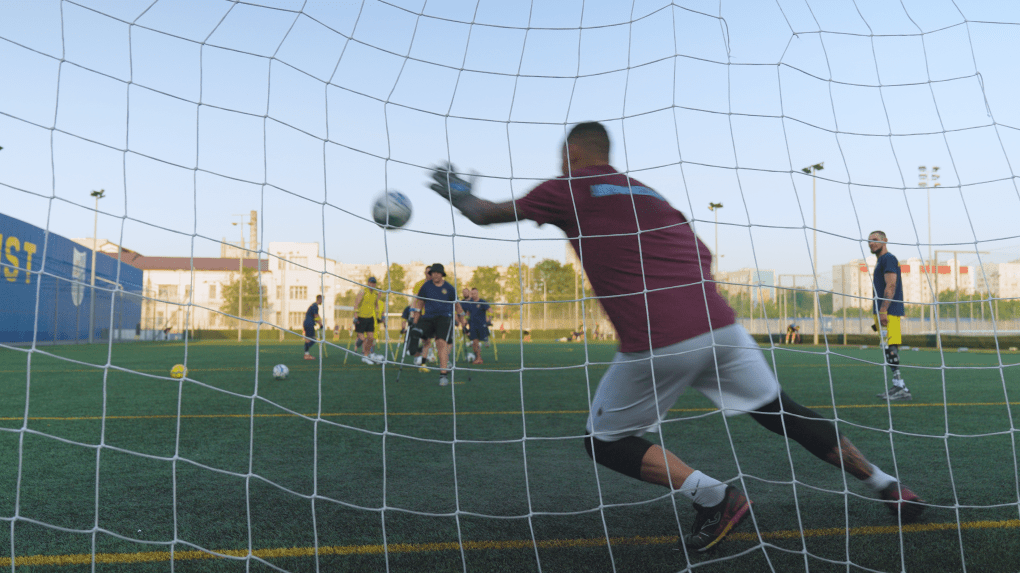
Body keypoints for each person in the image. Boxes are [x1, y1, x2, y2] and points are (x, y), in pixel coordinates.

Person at [427, 121, 924, 552]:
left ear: (573, 153)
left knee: (603, 440)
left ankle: (716, 496)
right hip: (723, 326)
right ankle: (888, 486)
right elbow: (702, 252)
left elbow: (483, 213)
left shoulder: (570, 186)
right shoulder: (647, 191)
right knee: (781, 412)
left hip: (660, 340)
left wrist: (454, 190)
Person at [869, 231, 910, 401]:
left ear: (885, 241)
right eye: (869, 241)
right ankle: (898, 386)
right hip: (882, 312)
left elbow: (891, 285)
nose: (871, 243)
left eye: (875, 240)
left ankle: (901, 388)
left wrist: (884, 309)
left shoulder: (888, 259)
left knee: (891, 347)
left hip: (889, 312)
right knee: (887, 348)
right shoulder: (881, 261)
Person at [410, 263, 466, 386]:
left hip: (444, 318)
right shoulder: (425, 287)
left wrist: (463, 322)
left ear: (442, 274)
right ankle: (414, 340)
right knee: (419, 333)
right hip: (428, 317)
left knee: (441, 343)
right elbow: (419, 304)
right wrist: (415, 321)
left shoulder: (450, 288)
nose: (434, 274)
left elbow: (457, 306)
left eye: (437, 272)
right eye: (433, 273)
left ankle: (443, 374)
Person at [353, 277, 385, 365]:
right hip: (361, 317)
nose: (373, 284)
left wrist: (379, 316)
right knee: (363, 338)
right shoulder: (362, 292)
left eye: (374, 283)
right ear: (368, 283)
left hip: (370, 318)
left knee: (371, 338)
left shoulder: (375, 293)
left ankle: (366, 356)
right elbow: (356, 304)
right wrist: (355, 316)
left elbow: (376, 305)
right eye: (371, 282)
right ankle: (363, 352)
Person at [461, 287, 491, 364]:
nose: (473, 295)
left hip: (482, 325)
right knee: (475, 343)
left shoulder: (482, 302)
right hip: (473, 326)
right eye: (472, 294)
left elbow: (490, 311)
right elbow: (467, 314)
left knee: (485, 344)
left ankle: (486, 338)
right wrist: (465, 323)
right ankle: (478, 358)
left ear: (477, 293)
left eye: (474, 293)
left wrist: (489, 319)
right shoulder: (470, 303)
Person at [302, 294, 323, 360]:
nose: (322, 301)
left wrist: (318, 321)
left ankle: (307, 355)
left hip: (306, 323)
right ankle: (306, 353)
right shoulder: (315, 306)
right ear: (319, 299)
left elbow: (315, 316)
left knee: (308, 340)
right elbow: (316, 316)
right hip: (309, 324)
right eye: (322, 300)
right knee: (313, 339)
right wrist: (321, 325)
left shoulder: (312, 305)